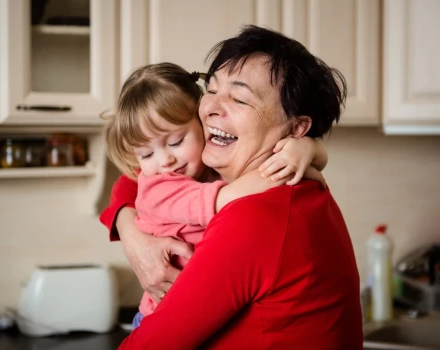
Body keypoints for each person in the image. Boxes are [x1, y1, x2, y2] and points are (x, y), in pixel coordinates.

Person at [102, 26, 362, 349]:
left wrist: (310, 153)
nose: (211, 107)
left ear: (296, 127)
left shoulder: (253, 216)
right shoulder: (298, 187)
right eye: (210, 90)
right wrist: (130, 232)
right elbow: (135, 180)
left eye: (239, 97)